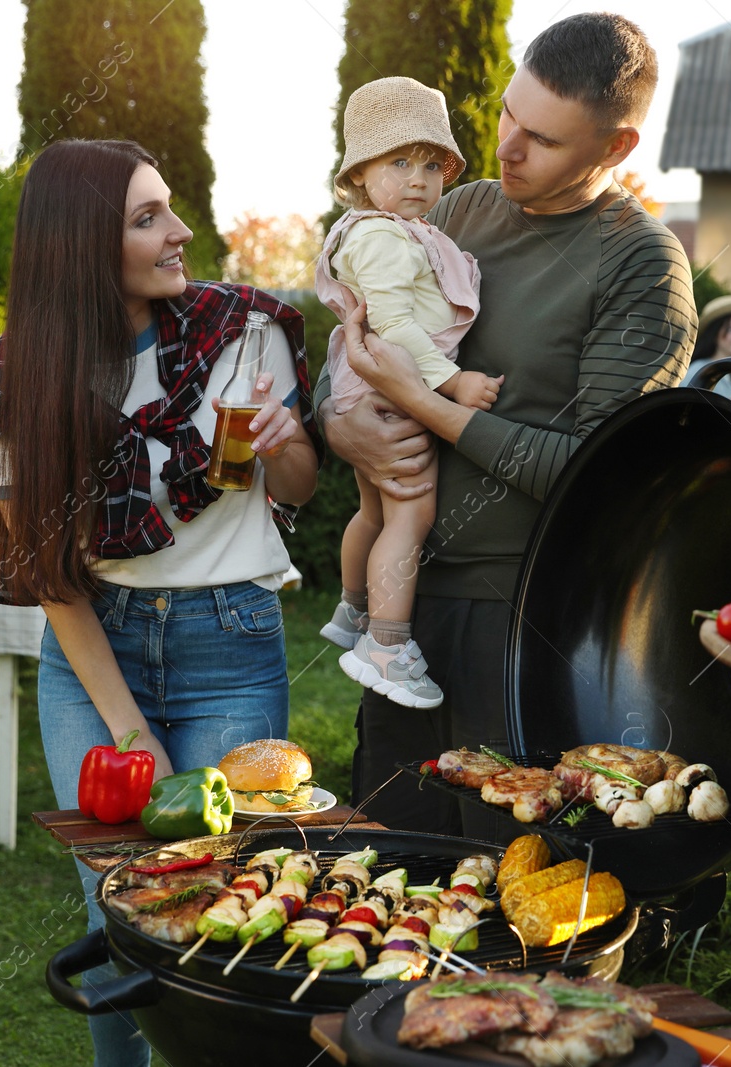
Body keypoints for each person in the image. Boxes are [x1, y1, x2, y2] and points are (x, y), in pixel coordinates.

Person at [0, 139, 320, 1067]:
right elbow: (51, 579)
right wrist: (128, 728)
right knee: (119, 900)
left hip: (233, 638)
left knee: (224, 895)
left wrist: (288, 440)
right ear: (81, 250)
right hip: (96, 650)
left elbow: (294, 490)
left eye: (170, 207)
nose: (182, 232)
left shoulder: (243, 329)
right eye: (148, 219)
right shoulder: (15, 387)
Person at [321, 12, 697, 833]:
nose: (506, 149)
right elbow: (357, 346)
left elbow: (595, 476)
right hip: (407, 613)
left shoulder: (642, 265)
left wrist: (428, 407)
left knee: (511, 882)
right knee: (389, 863)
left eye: (545, 140)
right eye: (506, 116)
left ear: (616, 148)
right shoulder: (454, 215)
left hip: (531, 622)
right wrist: (336, 423)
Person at [314, 76, 497, 710]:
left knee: (374, 510)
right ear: (360, 174)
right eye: (399, 162)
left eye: (430, 163)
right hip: (397, 381)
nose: (417, 178)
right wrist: (450, 383)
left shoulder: (391, 229)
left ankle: (352, 610)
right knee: (410, 514)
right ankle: (387, 645)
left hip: (368, 381)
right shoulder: (383, 238)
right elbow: (392, 328)